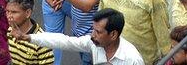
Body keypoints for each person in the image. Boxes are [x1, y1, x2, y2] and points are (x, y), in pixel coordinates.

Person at [10, 8, 145, 65]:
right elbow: (64, 41)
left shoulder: (132, 59)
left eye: (98, 32)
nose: (92, 35)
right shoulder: (94, 43)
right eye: (93, 30)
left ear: (113, 34)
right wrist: (29, 37)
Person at [6, 0, 56, 65]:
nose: (9, 16)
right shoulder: (10, 31)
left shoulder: (42, 42)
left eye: (14, 12)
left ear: (28, 13)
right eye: (7, 11)